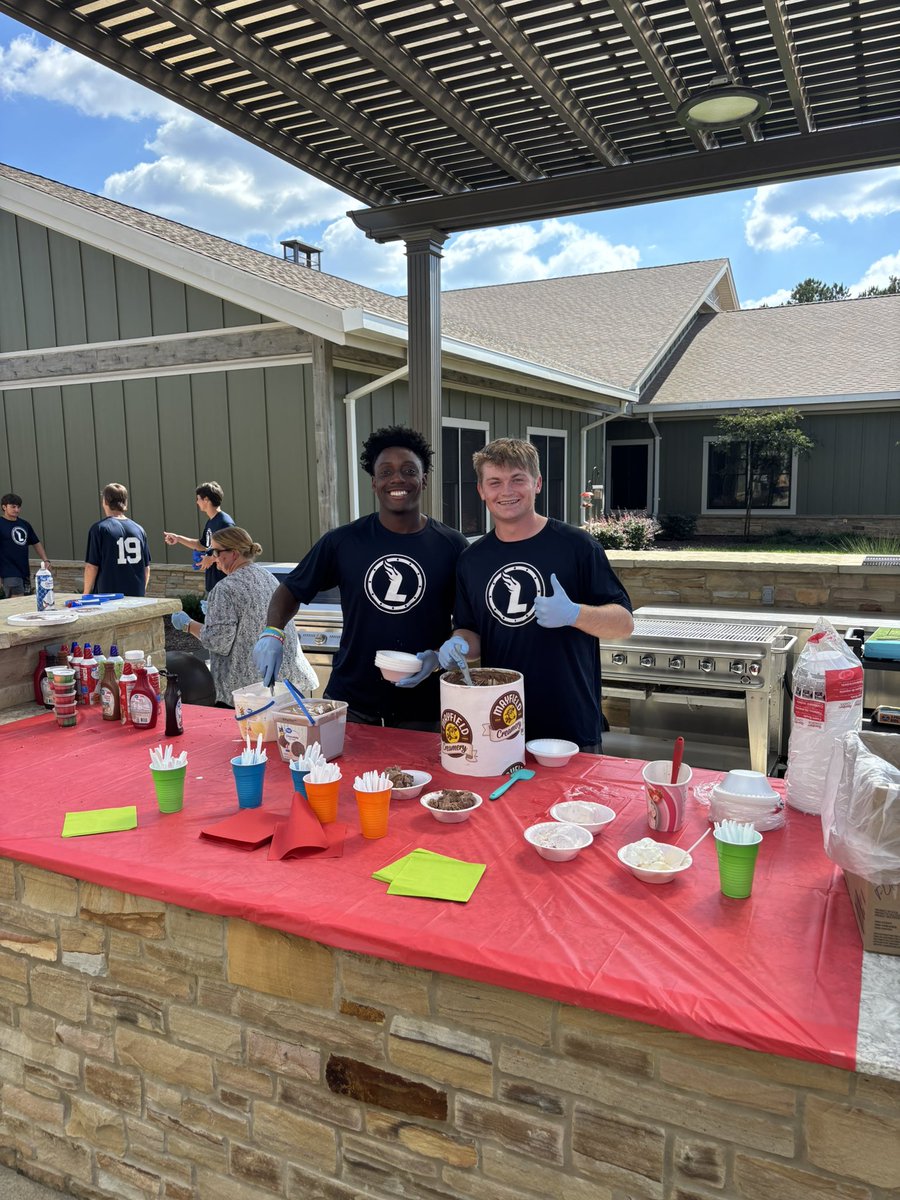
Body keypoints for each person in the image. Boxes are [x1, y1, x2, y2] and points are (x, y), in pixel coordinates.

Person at [413, 438, 634, 753]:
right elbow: (470, 629)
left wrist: (575, 614)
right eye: (495, 482)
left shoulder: (577, 547)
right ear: (481, 490)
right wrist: (457, 645)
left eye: (518, 479)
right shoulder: (472, 559)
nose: (506, 491)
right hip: (501, 723)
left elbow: (624, 624)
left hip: (569, 724)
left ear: (537, 483)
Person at [253, 425, 467, 730]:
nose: (397, 478)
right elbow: (290, 589)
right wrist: (272, 633)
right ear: (374, 483)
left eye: (408, 470)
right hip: (352, 703)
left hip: (426, 708)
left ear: (424, 480)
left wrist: (438, 657)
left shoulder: (452, 545)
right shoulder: (344, 541)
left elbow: (468, 623)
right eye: (386, 471)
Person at [170, 526, 317, 706]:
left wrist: (188, 624)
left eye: (216, 552)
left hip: (247, 693)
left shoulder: (225, 588)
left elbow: (217, 642)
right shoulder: (267, 576)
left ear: (234, 553)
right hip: (283, 685)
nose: (213, 558)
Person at [163, 481, 235, 595]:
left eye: (198, 499)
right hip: (212, 584)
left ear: (206, 499)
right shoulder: (211, 522)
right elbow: (201, 545)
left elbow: (231, 550)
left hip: (224, 584)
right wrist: (178, 538)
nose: (197, 502)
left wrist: (210, 558)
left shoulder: (225, 522)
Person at [84, 483, 151, 597]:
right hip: (135, 597)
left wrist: (85, 593)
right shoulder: (139, 529)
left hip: (107, 597)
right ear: (125, 502)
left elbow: (92, 567)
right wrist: (140, 591)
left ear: (105, 501)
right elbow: (146, 568)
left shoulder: (99, 529)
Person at [1, 493, 50, 597]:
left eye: (18, 507)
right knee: (17, 602)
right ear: (4, 507)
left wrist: (45, 560)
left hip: (24, 571)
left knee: (24, 600)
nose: (16, 510)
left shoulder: (24, 524)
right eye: (13, 506)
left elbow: (36, 543)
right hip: (9, 572)